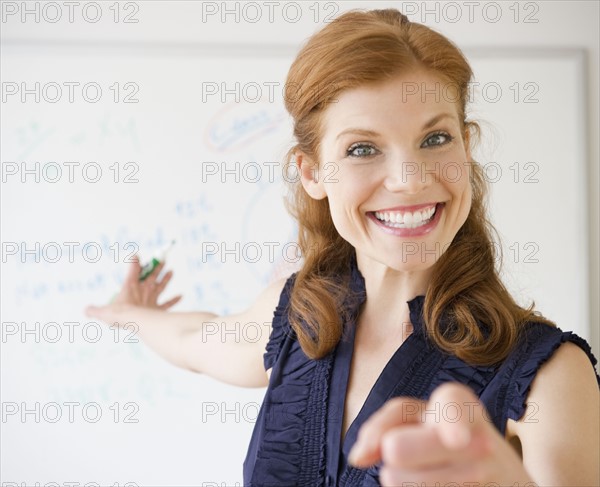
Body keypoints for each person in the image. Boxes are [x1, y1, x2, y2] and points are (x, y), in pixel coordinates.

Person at [86, 8, 600, 487]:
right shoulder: (295, 320)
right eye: (362, 148)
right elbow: (194, 338)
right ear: (312, 173)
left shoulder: (553, 377)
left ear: (466, 146)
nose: (409, 178)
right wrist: (131, 313)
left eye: (435, 139)